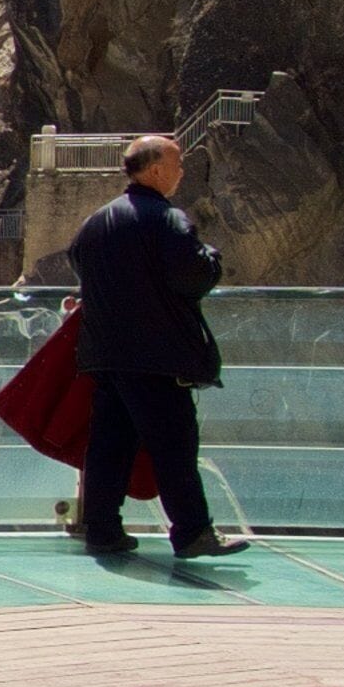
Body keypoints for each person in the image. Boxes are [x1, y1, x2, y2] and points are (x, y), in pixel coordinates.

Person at [67, 133, 244, 558]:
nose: (182, 171)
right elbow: (194, 276)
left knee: (110, 445)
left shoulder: (95, 223)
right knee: (175, 445)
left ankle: (102, 529)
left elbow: (80, 266)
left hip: (106, 356)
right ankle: (193, 532)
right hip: (157, 358)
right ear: (156, 170)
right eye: (177, 162)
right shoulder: (167, 219)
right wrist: (212, 256)